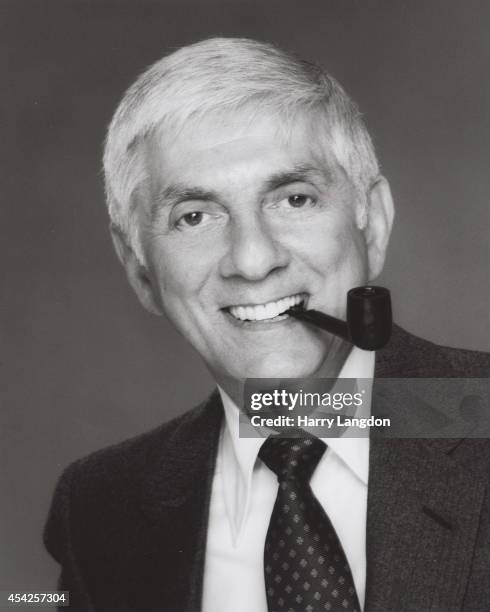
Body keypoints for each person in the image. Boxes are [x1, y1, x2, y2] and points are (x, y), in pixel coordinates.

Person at [44, 38, 490, 611]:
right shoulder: (100, 509)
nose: (253, 261)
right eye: (195, 217)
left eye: (294, 199)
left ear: (372, 225)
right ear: (141, 271)